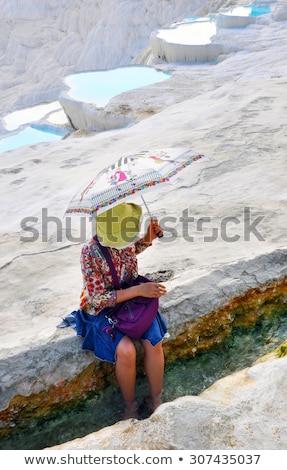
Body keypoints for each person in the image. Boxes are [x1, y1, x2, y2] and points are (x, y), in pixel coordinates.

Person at [76, 202, 168, 419]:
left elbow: (131, 249)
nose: (123, 243)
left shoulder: (125, 241)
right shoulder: (90, 252)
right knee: (126, 351)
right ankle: (130, 406)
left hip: (132, 298)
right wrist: (140, 290)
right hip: (105, 305)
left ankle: (156, 399)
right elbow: (98, 298)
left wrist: (148, 237)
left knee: (154, 340)